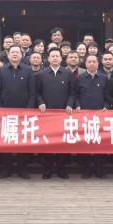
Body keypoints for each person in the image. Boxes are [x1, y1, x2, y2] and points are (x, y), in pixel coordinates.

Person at [0, 45, 36, 178]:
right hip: (5, 113)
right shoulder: (1, 71)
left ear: (21, 55)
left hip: (23, 113)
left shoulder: (28, 70)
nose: (15, 54)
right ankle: (7, 168)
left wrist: (29, 111)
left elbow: (32, 93)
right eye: (12, 52)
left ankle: (22, 168)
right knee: (6, 141)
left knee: (22, 141)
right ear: (8, 55)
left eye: (17, 52)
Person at [38, 48, 74, 179]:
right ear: (48, 58)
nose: (54, 58)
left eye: (57, 56)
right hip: (46, 115)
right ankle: (47, 168)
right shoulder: (41, 74)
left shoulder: (67, 73)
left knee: (62, 142)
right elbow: (37, 93)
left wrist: (69, 104)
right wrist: (40, 102)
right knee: (47, 142)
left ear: (61, 58)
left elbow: (72, 93)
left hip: (63, 114)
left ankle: (60, 168)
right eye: (52, 56)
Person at [72, 54, 108, 178]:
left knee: (100, 143)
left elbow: (108, 95)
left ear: (98, 64)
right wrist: (77, 106)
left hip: (100, 116)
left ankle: (99, 169)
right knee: (85, 143)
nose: (92, 64)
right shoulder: (80, 78)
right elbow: (75, 95)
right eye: (89, 62)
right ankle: (86, 169)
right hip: (84, 116)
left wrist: (106, 106)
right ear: (86, 64)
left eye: (94, 61)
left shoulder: (104, 78)